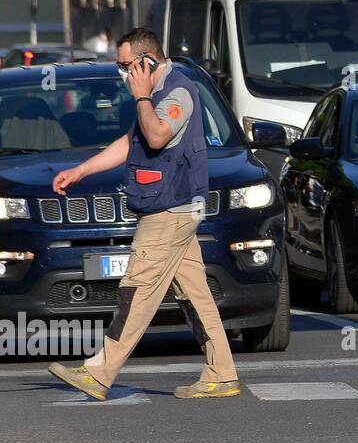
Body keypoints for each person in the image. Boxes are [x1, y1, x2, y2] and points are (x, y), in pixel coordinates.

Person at [47, 28, 240, 400]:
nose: (122, 74)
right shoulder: (155, 95)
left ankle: (99, 372)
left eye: (125, 66)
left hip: (170, 210)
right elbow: (131, 142)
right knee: (195, 295)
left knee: (136, 291)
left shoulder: (177, 91)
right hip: (171, 207)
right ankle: (222, 372)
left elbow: (156, 136)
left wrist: (141, 95)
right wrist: (82, 170)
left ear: (147, 61)